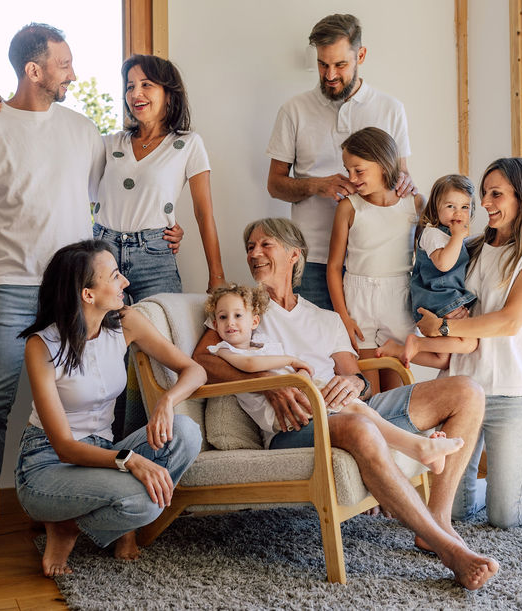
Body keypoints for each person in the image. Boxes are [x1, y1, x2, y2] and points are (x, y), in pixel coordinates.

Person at [192, 218, 499, 591]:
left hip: (347, 406)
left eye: (265, 245)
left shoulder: (325, 318)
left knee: (468, 391)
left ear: (294, 255)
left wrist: (351, 382)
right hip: (296, 425)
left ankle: (438, 518)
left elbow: (359, 379)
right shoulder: (240, 312)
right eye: (250, 247)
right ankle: (447, 548)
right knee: (360, 427)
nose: (254, 253)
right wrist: (263, 383)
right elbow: (203, 360)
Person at [0, 23, 106, 570]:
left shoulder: (84, 131)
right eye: (63, 64)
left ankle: (63, 509)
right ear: (34, 71)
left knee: (83, 403)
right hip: (9, 287)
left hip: (74, 290)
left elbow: (113, 199)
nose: (72, 74)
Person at [16, 239, 204, 576]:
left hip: (104, 453)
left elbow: (195, 370)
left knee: (186, 432)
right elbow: (64, 447)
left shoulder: (126, 322)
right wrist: (130, 461)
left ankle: (70, 524)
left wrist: (167, 401)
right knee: (145, 500)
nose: (126, 283)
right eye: (115, 276)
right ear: (88, 294)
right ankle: (68, 526)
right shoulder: (41, 345)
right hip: (47, 465)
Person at [0, 53, 222, 303]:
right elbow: (53, 150)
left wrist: (216, 276)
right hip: (103, 253)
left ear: (169, 93)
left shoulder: (188, 144)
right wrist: (8, 112)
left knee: (158, 338)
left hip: (155, 256)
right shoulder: (109, 144)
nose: (135, 94)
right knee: (102, 339)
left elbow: (203, 213)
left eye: (146, 85)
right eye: (130, 87)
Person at [413, 157, 522, 529]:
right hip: (463, 392)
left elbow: (510, 321)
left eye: (495, 194)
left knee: (505, 516)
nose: (484, 203)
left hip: (513, 393)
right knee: (457, 510)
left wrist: (445, 331)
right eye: (483, 194)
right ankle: (502, 487)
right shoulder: (475, 248)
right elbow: (438, 291)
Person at [203, 283, 464, 472]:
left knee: (362, 410)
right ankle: (418, 448)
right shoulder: (225, 349)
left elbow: (346, 373)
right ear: (214, 323)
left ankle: (419, 448)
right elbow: (248, 365)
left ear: (254, 320)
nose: (230, 323)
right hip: (285, 414)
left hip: (303, 392)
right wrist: (293, 362)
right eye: (223, 318)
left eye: (238, 316)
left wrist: (306, 372)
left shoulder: (263, 341)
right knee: (357, 415)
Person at [266, 14, 414, 311]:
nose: (330, 75)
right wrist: (316, 186)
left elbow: (402, 178)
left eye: (340, 65)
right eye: (323, 64)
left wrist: (406, 184)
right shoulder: (293, 110)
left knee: (367, 352)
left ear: (361, 55)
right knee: (314, 352)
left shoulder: (391, 109)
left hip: (376, 262)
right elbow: (274, 185)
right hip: (312, 260)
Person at [326, 127, 456, 394]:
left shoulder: (415, 203)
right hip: (357, 298)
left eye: (358, 170)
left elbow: (429, 257)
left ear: (383, 165)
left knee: (395, 390)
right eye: (347, 170)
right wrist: (343, 316)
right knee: (369, 393)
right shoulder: (349, 207)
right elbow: (334, 266)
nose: (351, 178)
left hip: (399, 297)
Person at [379, 174, 479, 368]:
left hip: (444, 299)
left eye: (464, 207)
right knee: (469, 343)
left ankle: (397, 349)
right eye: (451, 206)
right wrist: (458, 238)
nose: (458, 213)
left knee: (443, 360)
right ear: (436, 207)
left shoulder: (452, 237)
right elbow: (443, 264)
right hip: (438, 300)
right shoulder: (432, 233)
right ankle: (416, 342)